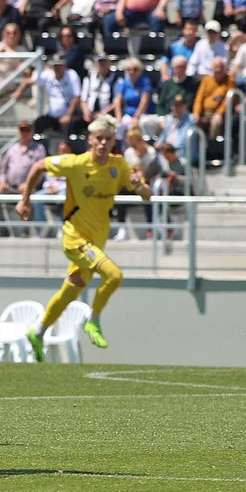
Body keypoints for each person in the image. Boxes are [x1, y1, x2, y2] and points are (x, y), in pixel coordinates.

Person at [14, 115, 150, 357]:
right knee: (114, 276)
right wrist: (25, 200)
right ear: (91, 140)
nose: (103, 143)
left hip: (96, 241)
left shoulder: (119, 166)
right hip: (75, 238)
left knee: (70, 291)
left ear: (114, 141)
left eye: (108, 139)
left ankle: (38, 331)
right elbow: (38, 166)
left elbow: (147, 195)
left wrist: (139, 185)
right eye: (99, 138)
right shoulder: (76, 163)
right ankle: (93, 320)